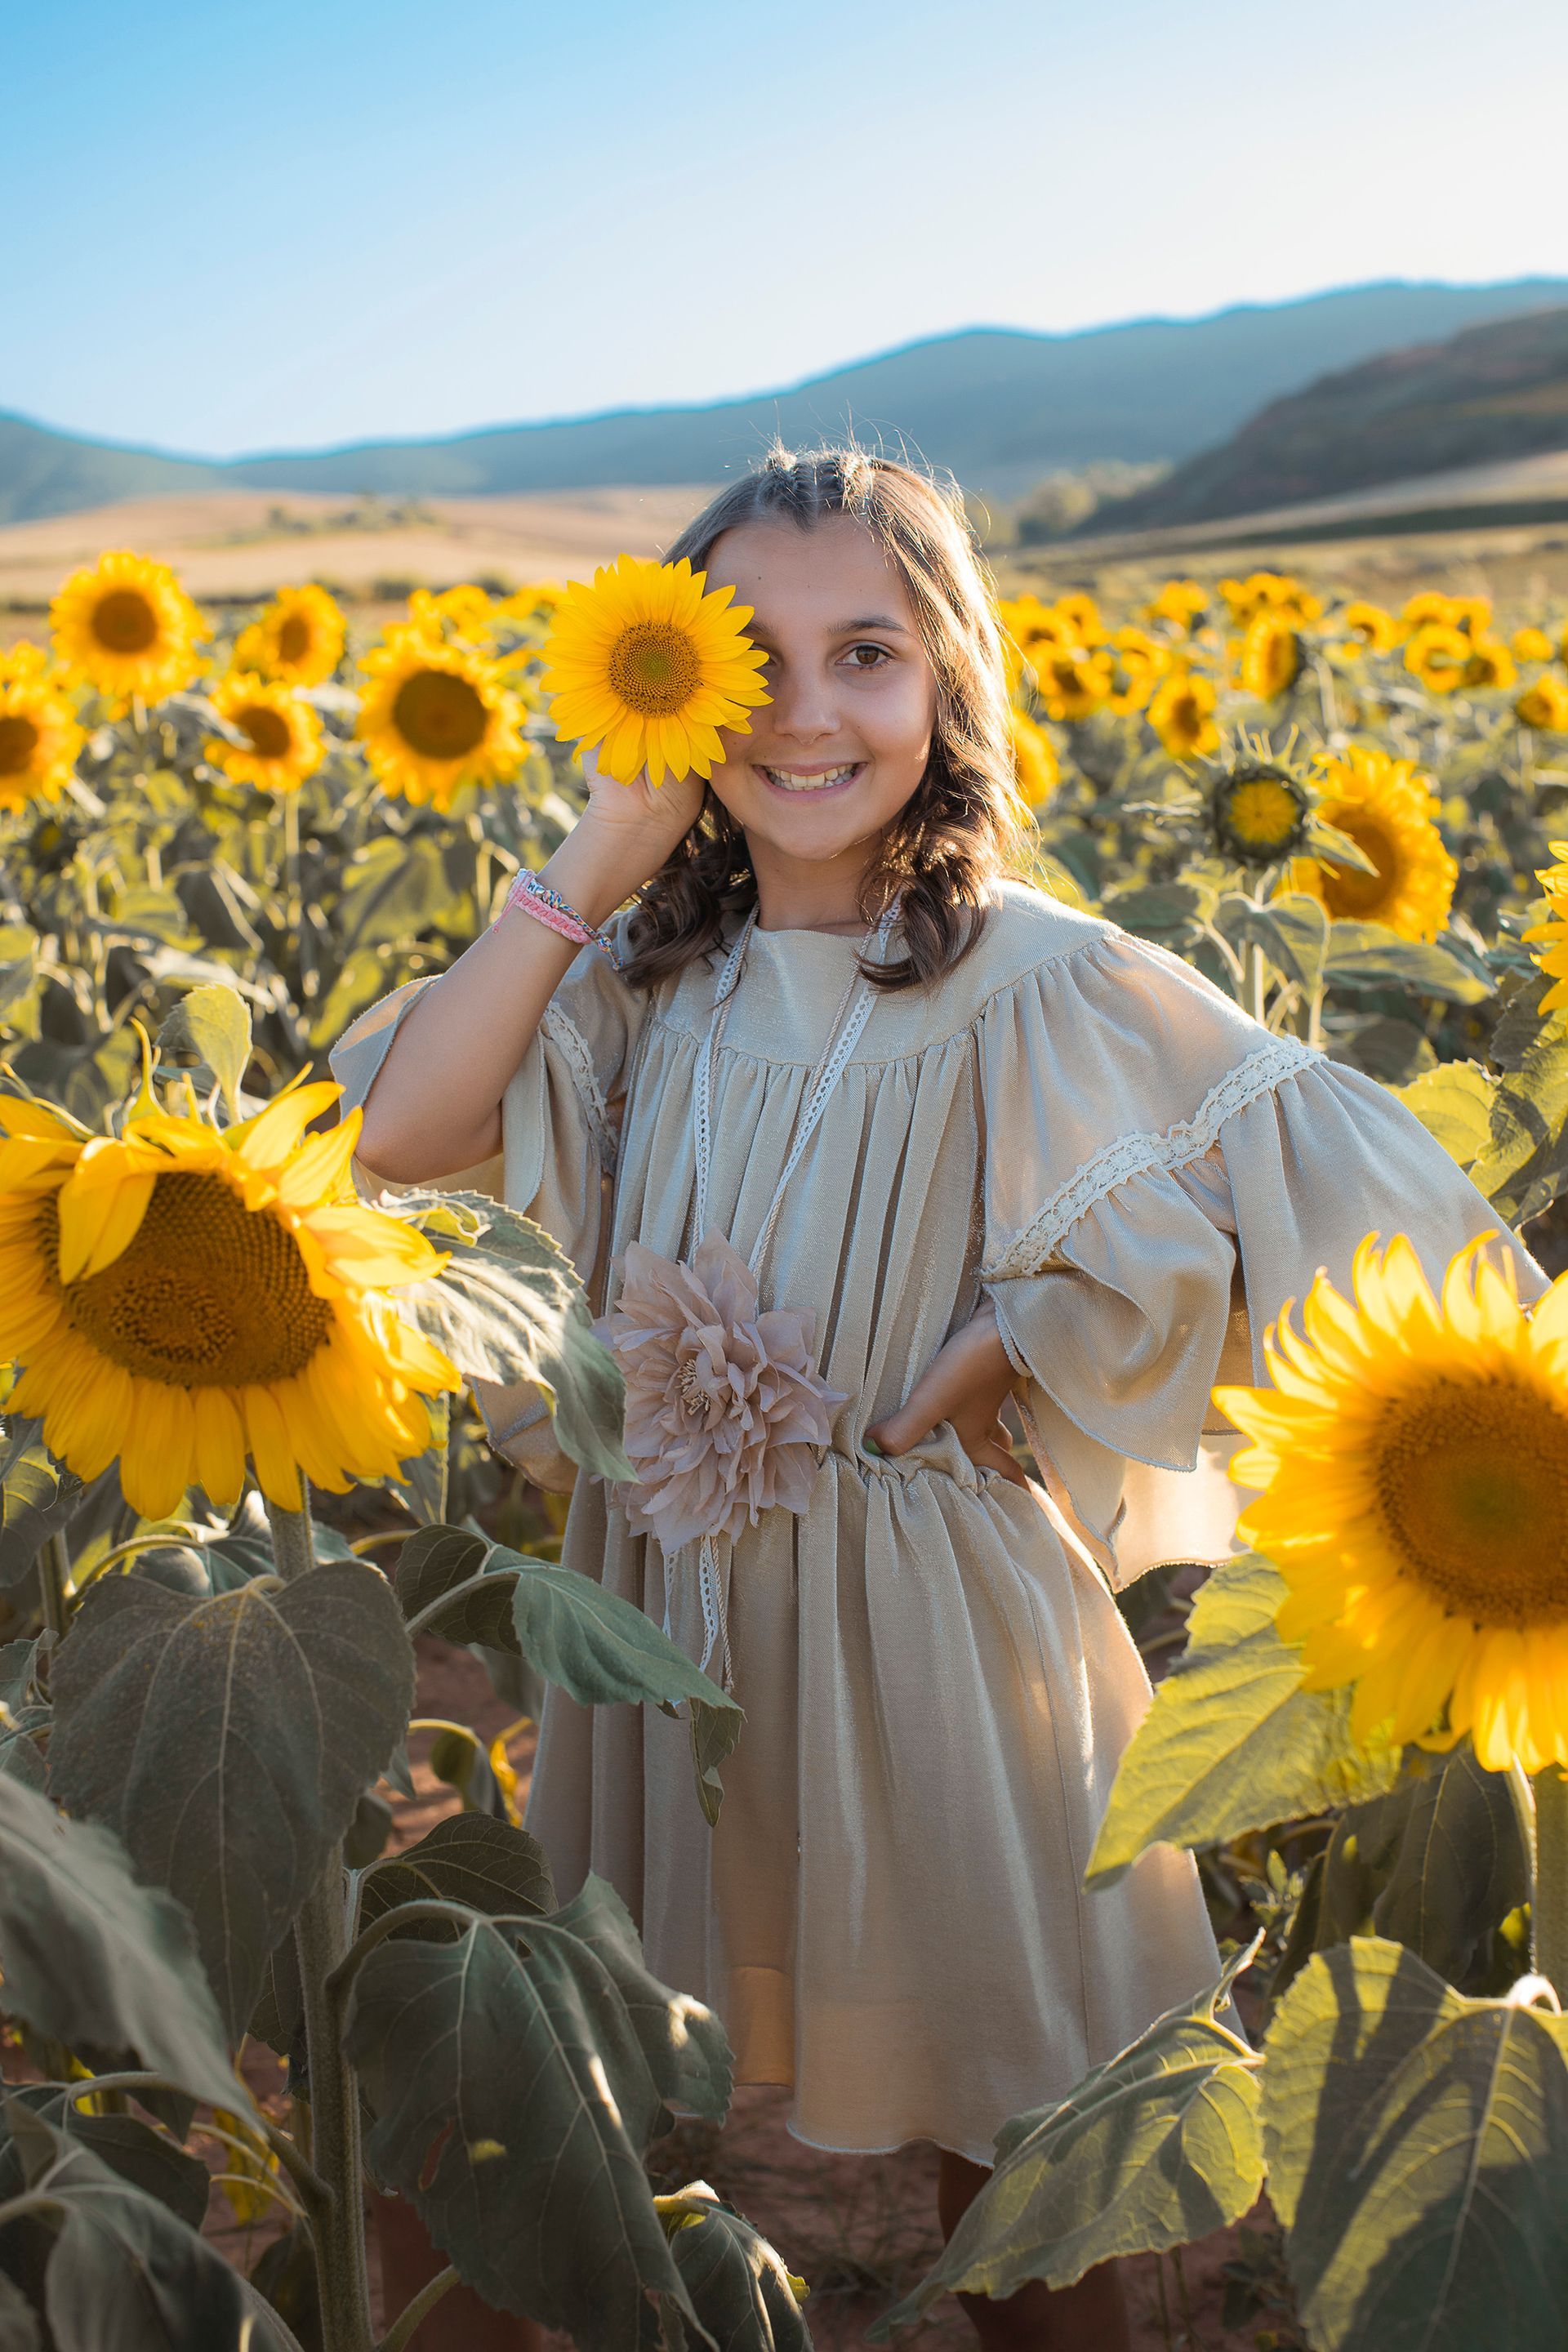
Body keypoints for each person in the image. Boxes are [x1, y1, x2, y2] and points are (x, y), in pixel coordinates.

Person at [333, 445, 1535, 2350]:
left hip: (939, 1640)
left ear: (949, 682)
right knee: (581, 2093)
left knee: (1028, 2143)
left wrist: (1009, 1348)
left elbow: (1322, 1180)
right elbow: (404, 1134)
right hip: (665, 1636)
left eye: (867, 655)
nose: (806, 714)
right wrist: (594, 857)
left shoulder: (1040, 981)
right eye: (752, 661)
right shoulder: (652, 977)